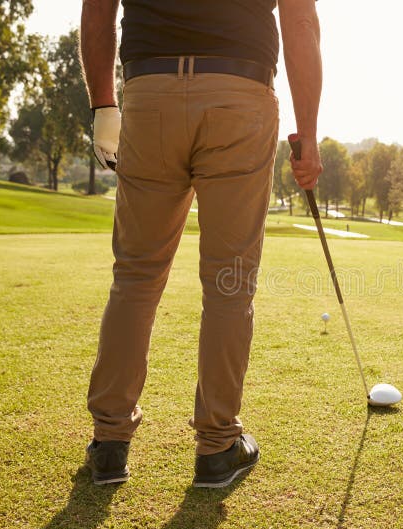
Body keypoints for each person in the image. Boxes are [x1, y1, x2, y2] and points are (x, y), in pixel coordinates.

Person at [80, 0, 323, 488]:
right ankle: (216, 448)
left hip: (150, 93)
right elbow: (299, 23)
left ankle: (110, 444)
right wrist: (310, 135)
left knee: (135, 275)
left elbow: (97, 9)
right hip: (241, 94)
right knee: (229, 280)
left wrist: (104, 105)